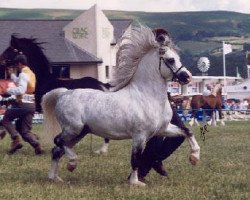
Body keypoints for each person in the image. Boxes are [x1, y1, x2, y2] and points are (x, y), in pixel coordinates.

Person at [1, 54, 44, 155]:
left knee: (6, 119)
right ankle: (37, 146)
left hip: (22, 104)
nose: (17, 67)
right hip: (31, 105)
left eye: (17, 65)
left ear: (20, 63)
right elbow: (21, 82)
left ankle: (15, 139)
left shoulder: (23, 74)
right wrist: (12, 75)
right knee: (23, 130)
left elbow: (21, 89)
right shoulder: (30, 73)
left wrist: (8, 90)